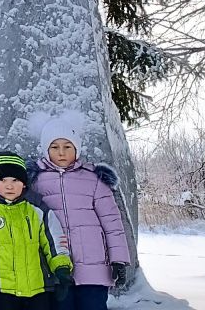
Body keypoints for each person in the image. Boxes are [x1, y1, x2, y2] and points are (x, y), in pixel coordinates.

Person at [29, 121, 130, 310]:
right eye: (55, 147)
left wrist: (118, 259)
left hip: (94, 269)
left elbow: (112, 223)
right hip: (55, 269)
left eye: (67, 146)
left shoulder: (93, 179)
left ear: (77, 148)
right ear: (46, 150)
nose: (61, 152)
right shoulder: (35, 182)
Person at [0, 153, 74, 310]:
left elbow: (53, 240)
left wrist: (61, 267)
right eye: (2, 180)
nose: (9, 186)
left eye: (15, 180)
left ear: (24, 183)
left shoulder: (37, 208)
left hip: (39, 286)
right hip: (4, 288)